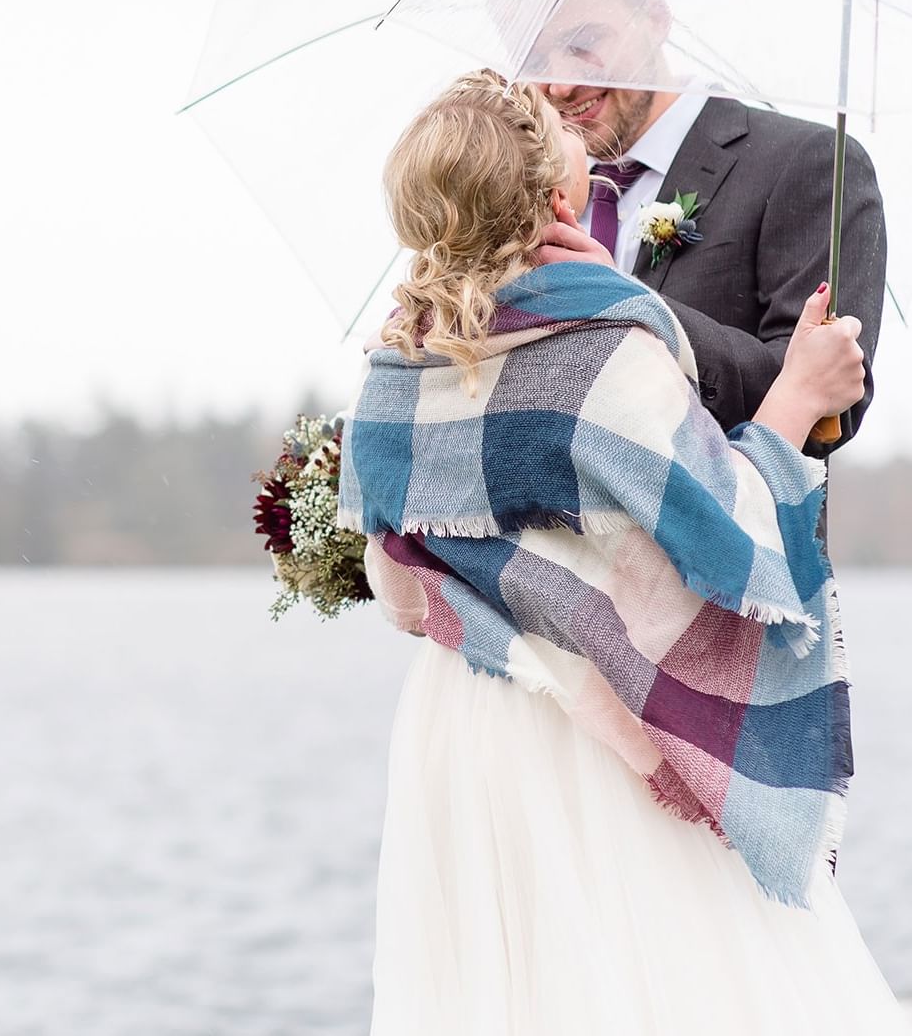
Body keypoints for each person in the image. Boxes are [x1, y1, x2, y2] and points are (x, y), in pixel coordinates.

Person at [337, 71, 906, 1035]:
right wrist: (798, 397)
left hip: (462, 727)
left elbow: (394, 587)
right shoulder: (606, 354)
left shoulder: (389, 374)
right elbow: (733, 543)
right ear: (558, 206)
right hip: (594, 721)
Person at [520, 0, 887, 455]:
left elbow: (826, 411)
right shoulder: (529, 196)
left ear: (655, 19)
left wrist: (624, 303)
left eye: (583, 43)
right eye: (533, 57)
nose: (557, 85)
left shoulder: (806, 163)